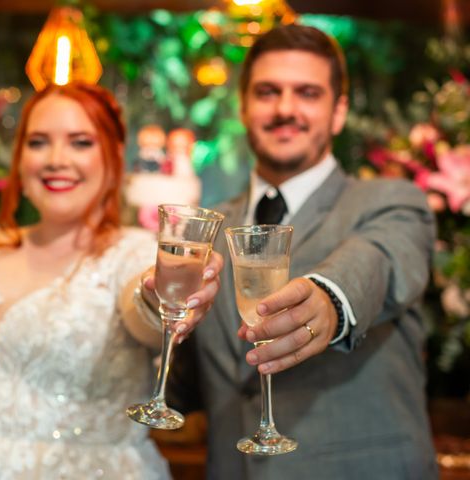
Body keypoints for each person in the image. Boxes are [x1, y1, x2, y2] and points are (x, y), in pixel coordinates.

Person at [0, 82, 222, 479]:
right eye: (38, 142)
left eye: (80, 142)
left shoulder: (133, 252)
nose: (56, 159)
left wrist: (165, 296)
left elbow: (144, 307)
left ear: (114, 155)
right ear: (19, 158)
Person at [165, 24, 439, 479]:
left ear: (338, 112)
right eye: (268, 92)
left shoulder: (390, 202)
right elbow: (187, 382)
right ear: (244, 106)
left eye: (307, 93)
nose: (285, 109)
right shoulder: (206, 230)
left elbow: (381, 261)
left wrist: (327, 299)